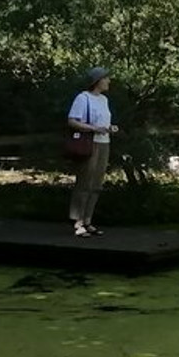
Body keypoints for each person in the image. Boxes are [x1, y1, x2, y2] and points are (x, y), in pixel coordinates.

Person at [67, 67, 118, 237]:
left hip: (104, 143)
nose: (109, 81)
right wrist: (94, 128)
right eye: (106, 78)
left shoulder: (104, 100)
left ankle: (88, 220)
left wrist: (110, 128)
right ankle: (78, 222)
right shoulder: (83, 98)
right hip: (89, 144)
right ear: (97, 81)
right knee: (85, 182)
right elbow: (72, 121)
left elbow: (103, 121)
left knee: (96, 184)